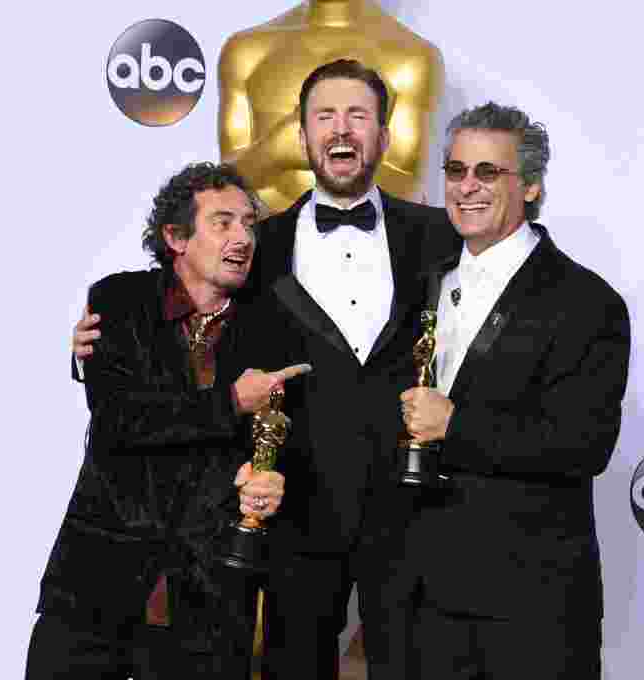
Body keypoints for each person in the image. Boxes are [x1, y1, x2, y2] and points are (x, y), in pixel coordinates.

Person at [74, 60, 457, 679]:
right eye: (324, 116)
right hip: (294, 514)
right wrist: (89, 350)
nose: (341, 129)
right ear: (302, 136)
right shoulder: (258, 245)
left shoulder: (439, 235)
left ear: (385, 135)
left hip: (410, 514)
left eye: (358, 116)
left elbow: (502, 304)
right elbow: (178, 318)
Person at [28, 162, 309, 680]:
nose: (243, 237)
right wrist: (231, 402)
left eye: (249, 224)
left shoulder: (276, 327)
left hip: (208, 599)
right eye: (223, 222)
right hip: (95, 585)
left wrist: (267, 477)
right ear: (176, 237)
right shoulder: (118, 301)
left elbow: (283, 441)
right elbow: (120, 423)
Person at [395, 102, 631, 678]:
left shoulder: (586, 302)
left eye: (488, 172)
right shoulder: (424, 283)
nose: (467, 186)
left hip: (531, 607)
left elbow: (583, 444)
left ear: (530, 186)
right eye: (456, 170)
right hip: (424, 602)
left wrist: (455, 425)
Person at [218, 0, 444, 213]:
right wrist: (273, 152)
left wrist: (327, 154)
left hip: (375, 236)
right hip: (263, 237)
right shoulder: (246, 51)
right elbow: (222, 184)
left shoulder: (412, 56)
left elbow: (409, 188)